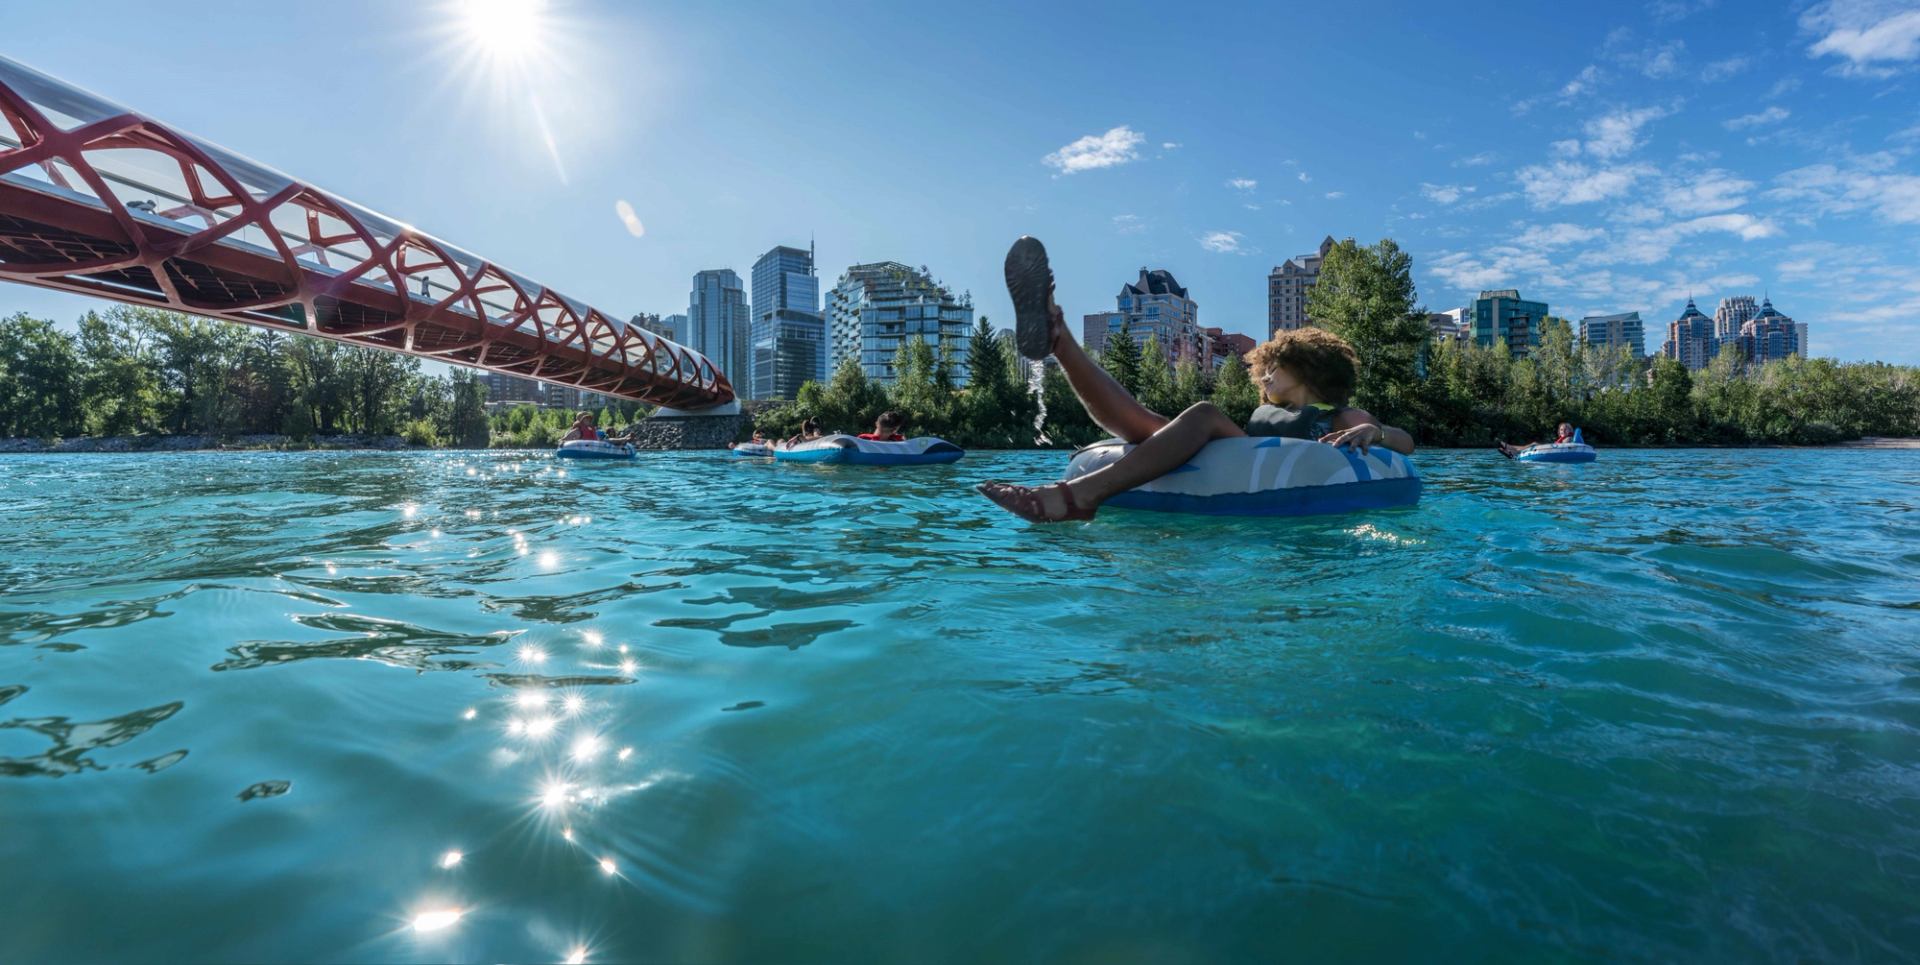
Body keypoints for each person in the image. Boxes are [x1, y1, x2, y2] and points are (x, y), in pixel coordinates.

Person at [977, 236, 1414, 523]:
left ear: (1307, 369)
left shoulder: (1334, 415)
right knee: (1144, 426)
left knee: (1200, 415)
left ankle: (1078, 495)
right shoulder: (1272, 414)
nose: (1262, 375)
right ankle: (1061, 340)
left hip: (1270, 460)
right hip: (1237, 449)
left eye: (1272, 367)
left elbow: (1404, 442)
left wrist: (1373, 430)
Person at [1497, 422, 1575, 459]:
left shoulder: (1568, 438)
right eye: (1561, 430)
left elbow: (1564, 446)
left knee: (1534, 444)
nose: (1563, 431)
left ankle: (1511, 449)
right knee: (1533, 444)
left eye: (1565, 429)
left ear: (1570, 430)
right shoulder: (1564, 438)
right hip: (1551, 449)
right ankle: (1511, 449)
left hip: (1553, 450)